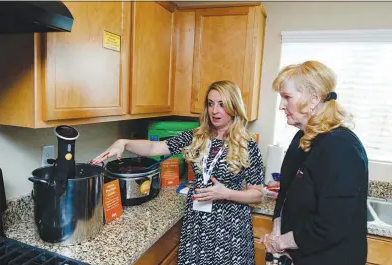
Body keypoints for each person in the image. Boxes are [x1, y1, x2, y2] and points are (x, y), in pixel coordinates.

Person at [92, 80, 264, 265]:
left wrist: (226, 193)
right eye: (210, 103)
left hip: (230, 229)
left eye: (222, 104)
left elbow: (257, 195)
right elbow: (154, 147)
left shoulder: (247, 145)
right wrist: (123, 142)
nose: (215, 111)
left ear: (234, 106)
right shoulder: (196, 136)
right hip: (197, 224)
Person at [261, 61, 369, 265]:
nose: (281, 105)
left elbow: (331, 226)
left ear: (313, 98)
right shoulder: (301, 138)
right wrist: (277, 231)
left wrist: (281, 242)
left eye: (287, 97)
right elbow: (285, 193)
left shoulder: (341, 147)